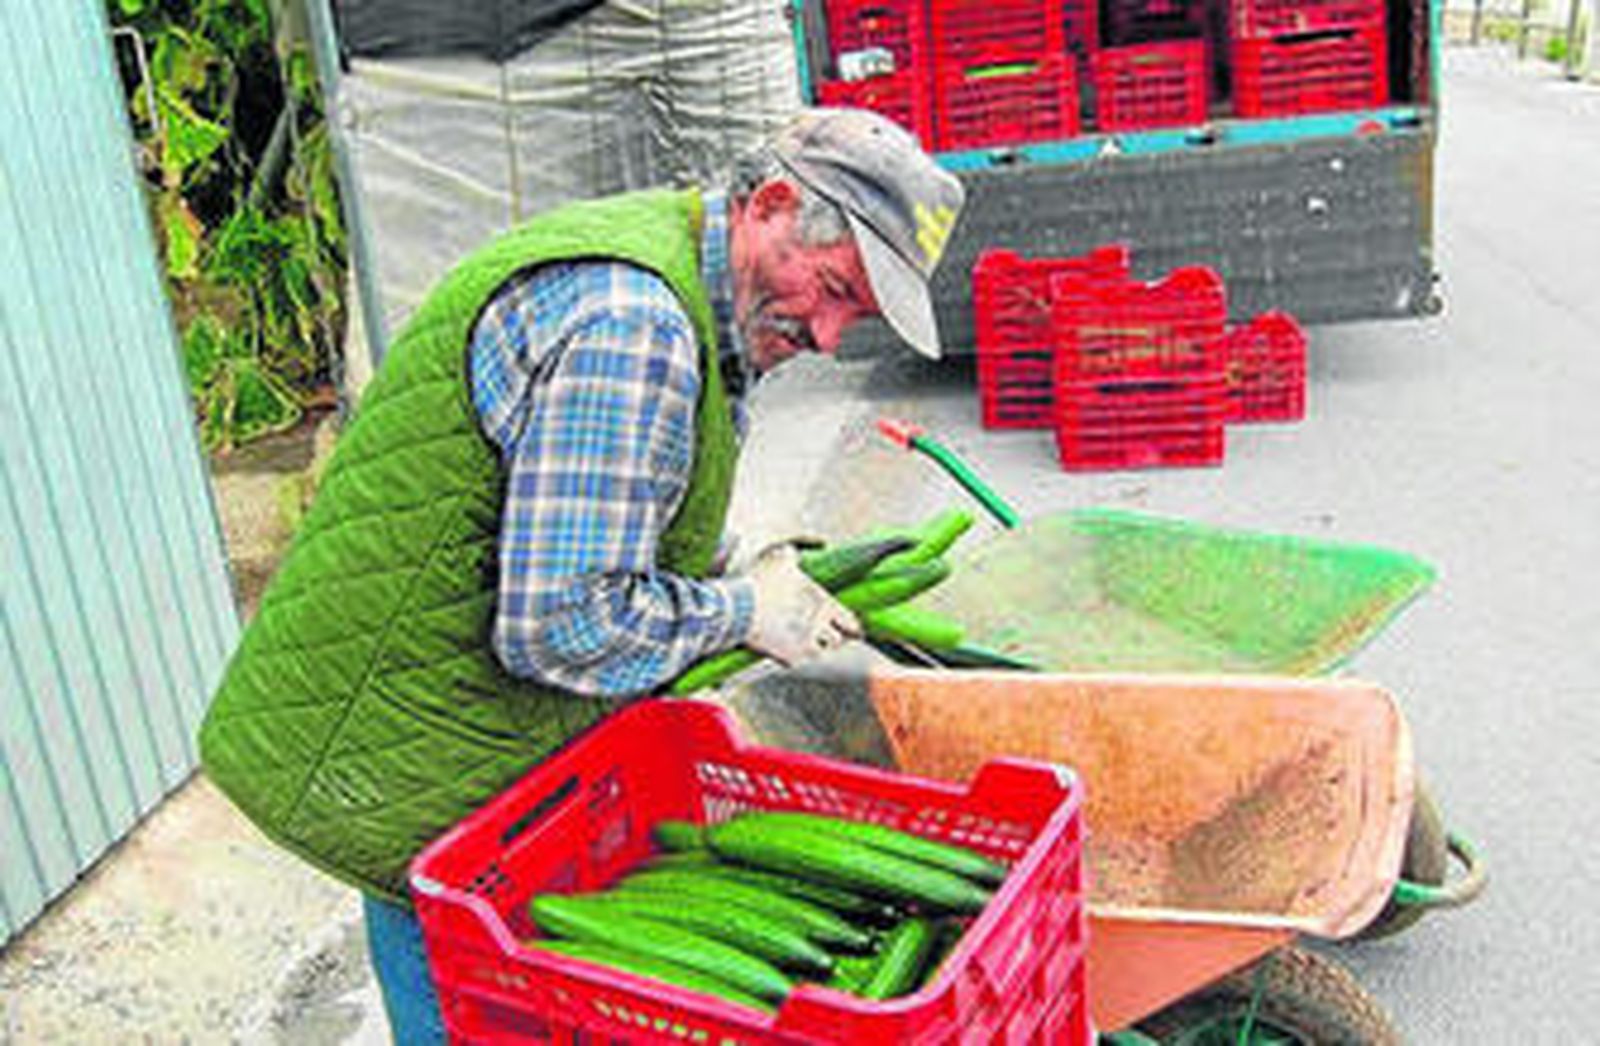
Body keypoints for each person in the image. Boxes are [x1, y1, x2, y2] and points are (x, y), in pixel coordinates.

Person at [197, 107, 965, 1042]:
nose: (834, 335)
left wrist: (727, 551)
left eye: (860, 315)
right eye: (837, 287)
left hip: (439, 723)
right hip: (399, 740)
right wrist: (737, 612)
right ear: (770, 206)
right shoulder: (631, 324)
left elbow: (588, 495)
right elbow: (561, 624)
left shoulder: (687, 271)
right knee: (453, 984)